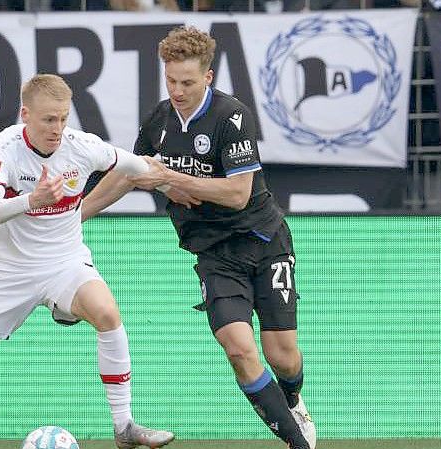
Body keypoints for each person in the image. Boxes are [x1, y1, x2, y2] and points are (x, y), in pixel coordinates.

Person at [0, 74, 175, 449]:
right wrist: (32, 200)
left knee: (108, 313)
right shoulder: (5, 147)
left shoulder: (82, 146)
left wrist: (170, 183)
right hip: (10, 273)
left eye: (63, 118)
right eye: (49, 119)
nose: (58, 128)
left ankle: (124, 426)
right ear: (25, 115)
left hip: (64, 262)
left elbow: (137, 166)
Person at [82, 26, 317, 449]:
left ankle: (294, 399)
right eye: (170, 80)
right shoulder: (158, 121)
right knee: (239, 349)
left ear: (208, 77)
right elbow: (128, 174)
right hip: (214, 254)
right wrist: (77, 215)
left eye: (187, 82)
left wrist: (171, 178)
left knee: (282, 355)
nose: (177, 89)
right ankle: (297, 443)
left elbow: (237, 193)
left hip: (264, 241)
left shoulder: (232, 117)